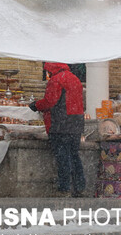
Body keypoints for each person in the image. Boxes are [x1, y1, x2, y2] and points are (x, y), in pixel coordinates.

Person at [29, 62, 85, 197]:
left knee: (63, 157)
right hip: (76, 124)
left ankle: (64, 188)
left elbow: (50, 101)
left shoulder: (56, 80)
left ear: (51, 69)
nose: (47, 74)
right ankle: (79, 187)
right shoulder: (74, 78)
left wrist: (35, 105)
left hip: (61, 124)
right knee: (74, 155)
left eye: (47, 71)